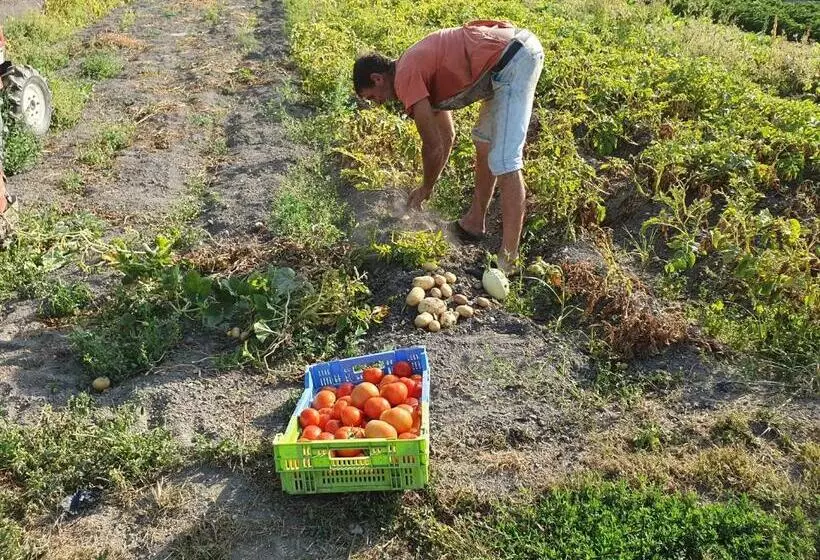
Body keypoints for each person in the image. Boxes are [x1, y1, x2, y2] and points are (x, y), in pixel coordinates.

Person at [353, 20, 544, 273]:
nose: (376, 103)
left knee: (505, 159)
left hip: (514, 59)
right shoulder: (411, 69)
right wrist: (427, 186)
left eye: (371, 97)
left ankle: (509, 260)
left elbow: (432, 145)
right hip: (505, 61)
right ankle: (475, 223)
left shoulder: (406, 76)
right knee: (483, 142)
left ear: (377, 79)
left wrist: (426, 187)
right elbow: (447, 135)